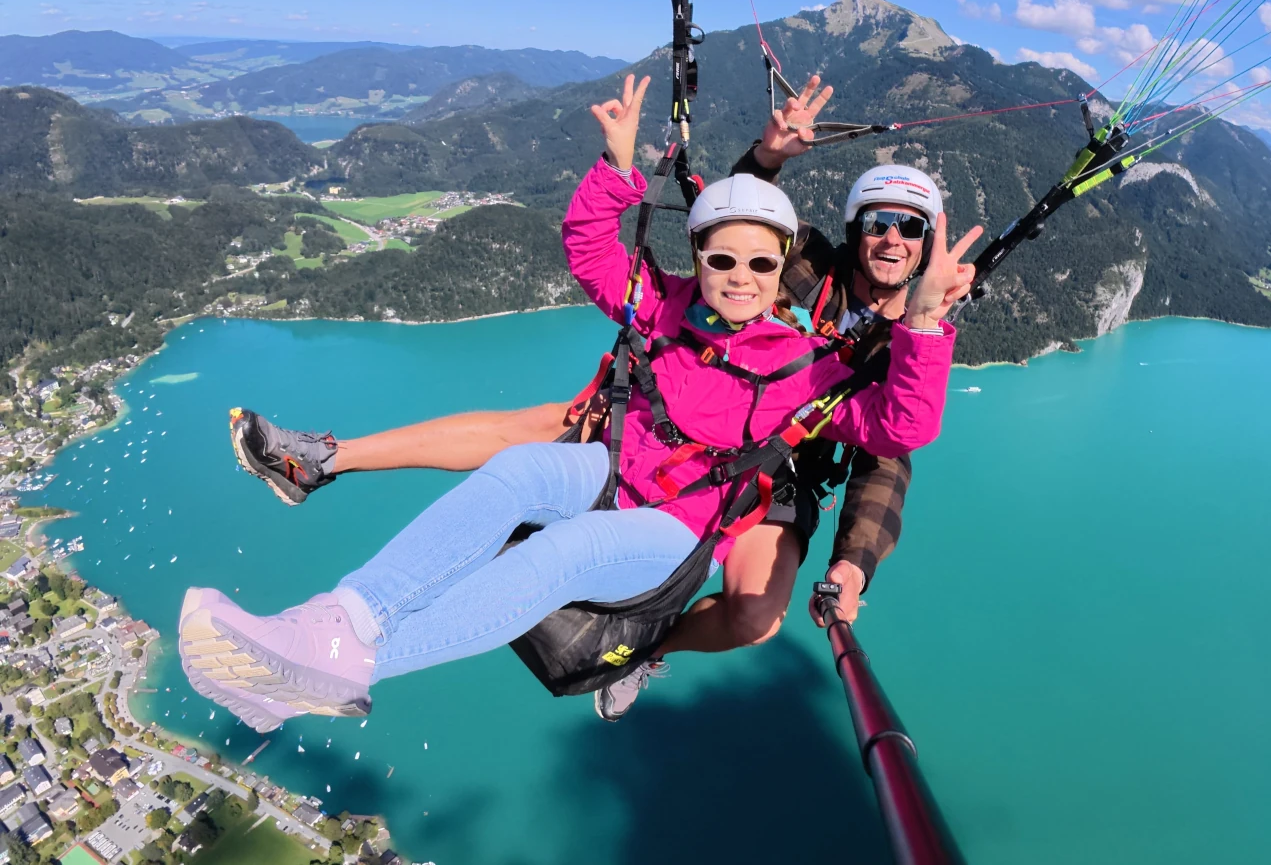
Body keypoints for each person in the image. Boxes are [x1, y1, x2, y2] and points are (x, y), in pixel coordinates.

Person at [179, 73, 979, 732]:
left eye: (758, 266)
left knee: (579, 561)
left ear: (780, 273)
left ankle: (349, 663)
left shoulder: (806, 365)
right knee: (522, 463)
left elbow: (898, 431)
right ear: (699, 257)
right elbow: (603, 250)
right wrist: (619, 161)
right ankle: (340, 616)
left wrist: (924, 325)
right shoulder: (673, 306)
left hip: (692, 515)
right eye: (722, 258)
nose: (740, 275)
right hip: (620, 461)